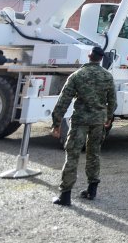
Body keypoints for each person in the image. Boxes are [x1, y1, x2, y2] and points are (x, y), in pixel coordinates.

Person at [51, 46, 117, 206]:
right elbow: (113, 101)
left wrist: (56, 123)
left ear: (89, 56)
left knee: (72, 154)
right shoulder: (107, 76)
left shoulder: (77, 75)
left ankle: (65, 196)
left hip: (80, 120)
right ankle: (92, 190)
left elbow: (63, 100)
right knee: (93, 154)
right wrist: (108, 117)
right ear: (101, 59)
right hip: (98, 121)